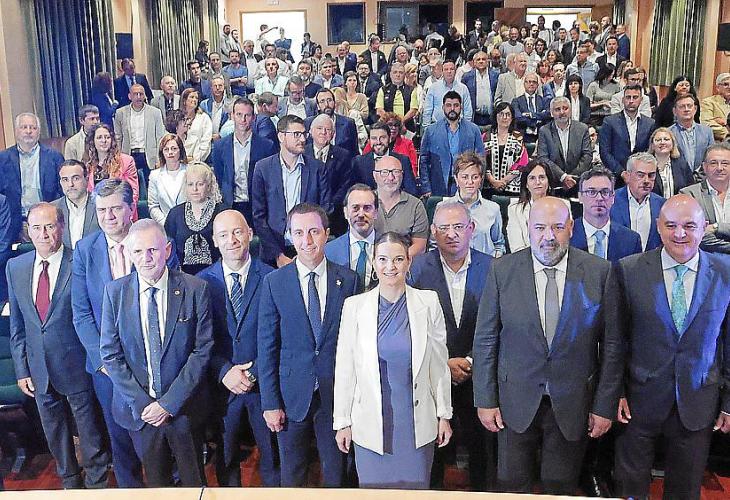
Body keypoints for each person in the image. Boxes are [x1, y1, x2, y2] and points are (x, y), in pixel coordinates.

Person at [473, 196, 620, 495]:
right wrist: (485, 399)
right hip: (514, 401)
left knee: (560, 486)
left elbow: (613, 346)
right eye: (540, 227)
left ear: (571, 228)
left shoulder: (600, 272)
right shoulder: (502, 270)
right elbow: (486, 339)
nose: (548, 236)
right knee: (512, 486)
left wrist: (604, 405)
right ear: (528, 228)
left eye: (557, 227)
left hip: (573, 402)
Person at [607, 194, 730, 499]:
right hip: (638, 401)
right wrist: (616, 393)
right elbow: (615, 340)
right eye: (671, 225)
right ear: (658, 226)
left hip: (698, 399)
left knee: (685, 492)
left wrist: (729, 402)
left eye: (689, 225)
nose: (680, 233)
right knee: (630, 489)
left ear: (705, 227)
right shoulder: (628, 270)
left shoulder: (726, 273)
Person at [333, 230, 452, 490]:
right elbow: (345, 368)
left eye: (398, 259)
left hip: (416, 423)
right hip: (370, 423)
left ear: (408, 262)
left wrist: (444, 414)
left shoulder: (428, 302)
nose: (391, 266)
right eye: (383, 259)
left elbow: (439, 365)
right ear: (374, 263)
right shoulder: (354, 306)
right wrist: (342, 422)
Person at [100, 219, 213, 487]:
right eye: (138, 251)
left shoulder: (195, 289)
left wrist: (168, 404)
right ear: (129, 253)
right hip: (141, 413)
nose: (146, 258)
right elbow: (110, 354)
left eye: (152, 250)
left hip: (184, 409)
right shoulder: (115, 292)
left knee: (193, 483)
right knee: (156, 486)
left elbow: (202, 350)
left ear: (167, 250)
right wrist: (145, 406)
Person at [7, 202, 111, 489]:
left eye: (49, 226)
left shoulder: (79, 262)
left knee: (89, 431)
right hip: (38, 369)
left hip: (76, 365)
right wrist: (21, 369)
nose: (43, 234)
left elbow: (92, 316)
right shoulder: (16, 267)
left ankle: (97, 485)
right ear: (28, 231)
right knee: (55, 432)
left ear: (61, 227)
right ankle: (70, 482)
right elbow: (18, 325)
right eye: (36, 228)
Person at [257, 203, 357, 487]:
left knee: (337, 478)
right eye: (299, 233)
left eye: (314, 231)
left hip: (335, 398)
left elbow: (354, 346)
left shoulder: (349, 280)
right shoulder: (274, 282)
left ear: (327, 233)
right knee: (292, 478)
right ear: (290, 236)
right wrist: (270, 403)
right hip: (291, 398)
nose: (307, 240)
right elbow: (267, 348)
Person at [408, 202, 494, 491]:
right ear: (433, 232)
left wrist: (470, 361)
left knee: (482, 456)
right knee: (432, 457)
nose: (451, 234)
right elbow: (410, 326)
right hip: (432, 376)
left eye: (458, 227)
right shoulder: (417, 269)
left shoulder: (493, 268)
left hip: (478, 376)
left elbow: (498, 325)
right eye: (443, 228)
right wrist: (443, 363)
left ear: (471, 228)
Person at [196, 210, 279, 487]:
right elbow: (198, 341)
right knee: (226, 459)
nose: (231, 240)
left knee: (272, 458)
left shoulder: (272, 277)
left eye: (237, 232)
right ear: (214, 241)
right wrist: (225, 371)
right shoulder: (201, 284)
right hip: (222, 389)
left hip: (263, 385)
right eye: (223, 235)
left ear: (250, 234)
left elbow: (280, 335)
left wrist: (254, 372)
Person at [252, 115, 331, 267]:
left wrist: (305, 251)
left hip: (309, 248)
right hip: (273, 251)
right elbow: (259, 217)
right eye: (296, 134)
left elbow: (325, 209)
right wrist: (278, 256)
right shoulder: (263, 168)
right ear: (281, 136)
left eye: (304, 134)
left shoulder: (317, 168)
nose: (302, 139)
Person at [212, 97, 278, 223]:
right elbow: (220, 177)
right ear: (232, 116)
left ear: (253, 118)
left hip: (258, 207)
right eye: (239, 114)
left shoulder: (267, 146)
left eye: (247, 115)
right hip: (231, 205)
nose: (243, 120)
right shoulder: (220, 146)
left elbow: (271, 179)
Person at [0, 113, 63, 240]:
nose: (28, 131)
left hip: (47, 220)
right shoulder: (3, 159)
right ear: (16, 131)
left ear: (38, 132)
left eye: (33, 128)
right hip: (13, 223)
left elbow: (61, 191)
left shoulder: (54, 157)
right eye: (24, 127)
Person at [419, 91, 485, 197]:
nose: (452, 109)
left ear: (461, 107)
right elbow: (423, 161)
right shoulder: (431, 131)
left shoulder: (473, 130)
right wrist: (426, 188)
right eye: (449, 105)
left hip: (466, 186)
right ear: (443, 107)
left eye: (456, 105)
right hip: (438, 185)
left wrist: (478, 187)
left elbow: (481, 161)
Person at [571, 167, 642, 262]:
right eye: (591, 192)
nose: (599, 198)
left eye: (605, 192)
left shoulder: (631, 240)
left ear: (613, 197)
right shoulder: (567, 236)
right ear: (580, 197)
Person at [441, 152, 505, 257]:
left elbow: (498, 244)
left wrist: (496, 260)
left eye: (475, 177)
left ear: (481, 179)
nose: (470, 182)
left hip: (486, 263)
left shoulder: (493, 209)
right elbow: (435, 244)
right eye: (465, 177)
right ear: (456, 179)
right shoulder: (443, 208)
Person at [164, 162, 222, 275]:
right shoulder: (175, 214)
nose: (195, 189)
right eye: (190, 184)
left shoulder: (222, 212)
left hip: (216, 275)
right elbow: (168, 248)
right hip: (182, 276)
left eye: (200, 184)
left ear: (209, 185)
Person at [305, 113, 354, 233]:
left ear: (333, 134)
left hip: (335, 218)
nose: (323, 132)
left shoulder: (343, 155)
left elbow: (345, 186)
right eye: (319, 128)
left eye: (328, 129)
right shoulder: (302, 153)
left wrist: (328, 209)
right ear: (311, 131)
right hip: (306, 214)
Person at [325, 184, 378, 291]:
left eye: (367, 208)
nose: (361, 214)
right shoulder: (328, 251)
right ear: (345, 212)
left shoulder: (388, 247)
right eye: (355, 208)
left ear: (376, 212)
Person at [372, 155, 428, 257]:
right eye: (384, 172)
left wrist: (396, 260)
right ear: (375, 176)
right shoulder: (365, 203)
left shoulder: (415, 205)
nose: (391, 177)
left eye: (396, 172)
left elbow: (420, 246)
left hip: (405, 262)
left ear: (402, 175)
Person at [506, 160, 568, 253]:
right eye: (532, 178)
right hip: (525, 259)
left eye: (542, 177)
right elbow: (516, 246)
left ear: (548, 181)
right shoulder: (515, 209)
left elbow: (565, 242)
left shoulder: (563, 206)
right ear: (526, 184)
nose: (537, 182)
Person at [679, 144, 730, 253]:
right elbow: (695, 235)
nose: (719, 168)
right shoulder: (689, 195)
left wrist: (716, 227)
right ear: (704, 167)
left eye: (725, 163)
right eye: (713, 163)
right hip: (706, 258)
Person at [610, 152, 666, 251]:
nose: (646, 180)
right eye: (640, 175)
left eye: (651, 175)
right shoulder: (610, 201)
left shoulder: (662, 205)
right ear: (627, 176)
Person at [536, 97, 593, 194]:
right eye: (557, 109)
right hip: (553, 184)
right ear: (551, 113)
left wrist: (572, 178)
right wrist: (563, 177)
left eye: (565, 108)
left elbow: (587, 156)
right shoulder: (544, 131)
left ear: (570, 110)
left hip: (578, 183)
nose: (562, 112)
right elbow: (543, 158)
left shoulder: (582, 129)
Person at [113, 83, 166, 184]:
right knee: (129, 186)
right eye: (135, 94)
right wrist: (119, 157)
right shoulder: (120, 113)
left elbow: (160, 137)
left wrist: (159, 158)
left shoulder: (155, 112)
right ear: (129, 96)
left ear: (145, 96)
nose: (138, 97)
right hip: (129, 154)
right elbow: (118, 137)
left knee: (151, 185)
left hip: (149, 155)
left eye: (141, 94)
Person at [85, 123, 139, 220]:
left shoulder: (126, 161)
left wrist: (128, 215)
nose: (104, 141)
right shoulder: (87, 165)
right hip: (96, 215)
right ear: (93, 141)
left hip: (120, 214)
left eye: (107, 137)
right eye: (99, 138)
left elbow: (133, 194)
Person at [600, 85, 656, 177]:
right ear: (623, 100)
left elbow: (650, 151)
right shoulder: (609, 122)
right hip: (615, 175)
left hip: (641, 175)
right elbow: (604, 152)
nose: (631, 101)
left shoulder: (650, 123)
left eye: (635, 97)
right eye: (628, 97)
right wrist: (621, 172)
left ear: (641, 100)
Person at [353, 122, 418, 197]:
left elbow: (411, 191)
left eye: (382, 138)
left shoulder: (403, 160)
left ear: (389, 139)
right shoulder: (359, 162)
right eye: (374, 138)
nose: (378, 142)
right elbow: (355, 192)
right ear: (369, 140)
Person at [483, 102, 528, 197]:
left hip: (512, 187)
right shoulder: (486, 137)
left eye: (508, 114)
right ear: (495, 117)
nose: (504, 117)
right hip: (488, 187)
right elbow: (481, 160)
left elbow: (522, 162)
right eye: (501, 114)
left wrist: (504, 181)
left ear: (512, 118)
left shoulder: (518, 137)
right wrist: (492, 181)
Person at [52, 160, 100, 249]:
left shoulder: (100, 205)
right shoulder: (52, 209)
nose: (70, 184)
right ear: (61, 183)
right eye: (65, 180)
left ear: (86, 179)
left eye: (76, 178)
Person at [304, 88, 359, 157]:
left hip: (342, 161)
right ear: (318, 106)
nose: (326, 104)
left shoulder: (348, 123)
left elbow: (354, 152)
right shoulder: (308, 123)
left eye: (329, 100)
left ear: (334, 103)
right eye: (322, 101)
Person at [669, 93, 715, 174]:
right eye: (682, 107)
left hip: (702, 177)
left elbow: (712, 157)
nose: (686, 109)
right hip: (678, 177)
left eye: (689, 106)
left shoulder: (707, 131)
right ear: (674, 111)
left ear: (695, 109)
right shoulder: (669, 133)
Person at [148, 134, 187, 226]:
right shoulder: (155, 176)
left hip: (188, 224)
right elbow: (153, 206)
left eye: (174, 149)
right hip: (165, 225)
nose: (170, 152)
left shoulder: (189, 171)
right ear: (162, 152)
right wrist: (165, 223)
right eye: (166, 149)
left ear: (180, 150)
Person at [422, 60, 474, 127]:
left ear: (455, 71)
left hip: (458, 127)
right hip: (437, 127)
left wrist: (466, 128)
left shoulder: (463, 88)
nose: (449, 71)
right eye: (446, 69)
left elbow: (468, 112)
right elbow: (427, 110)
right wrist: (426, 128)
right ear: (442, 71)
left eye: (451, 69)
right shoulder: (433, 88)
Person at [649, 127, 695, 197]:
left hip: (678, 203)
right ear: (652, 145)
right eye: (658, 140)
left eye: (666, 139)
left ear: (673, 143)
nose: (662, 142)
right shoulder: (646, 165)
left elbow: (691, 187)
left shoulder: (682, 164)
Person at [375, 63, 419, 130]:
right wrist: (391, 122)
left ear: (404, 75)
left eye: (401, 72)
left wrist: (400, 122)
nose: (398, 75)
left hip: (407, 127)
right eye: (395, 72)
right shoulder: (383, 90)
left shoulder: (412, 90)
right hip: (387, 127)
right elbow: (379, 109)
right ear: (390, 74)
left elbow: (413, 110)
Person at [461, 50, 499, 126]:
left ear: (488, 61)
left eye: (483, 59)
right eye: (478, 59)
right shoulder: (467, 77)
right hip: (474, 117)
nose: (481, 61)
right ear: (474, 62)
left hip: (491, 117)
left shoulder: (496, 76)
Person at [512, 72, 551, 142]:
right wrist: (537, 120)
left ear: (537, 85)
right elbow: (518, 118)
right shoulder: (516, 101)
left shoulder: (544, 101)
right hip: (522, 136)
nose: (531, 84)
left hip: (541, 137)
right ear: (524, 84)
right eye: (529, 82)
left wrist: (531, 115)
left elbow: (547, 115)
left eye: (534, 82)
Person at [179, 88, 213, 162]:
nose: (194, 100)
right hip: (179, 160)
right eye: (192, 97)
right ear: (184, 100)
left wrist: (195, 159)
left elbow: (206, 142)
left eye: (196, 98)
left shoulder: (204, 118)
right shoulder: (177, 117)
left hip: (197, 160)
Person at [700, 73, 730, 141]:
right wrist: (727, 134)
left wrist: (725, 122)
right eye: (726, 84)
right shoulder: (708, 102)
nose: (729, 87)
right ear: (718, 88)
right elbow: (707, 123)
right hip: (717, 143)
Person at [200, 76, 231, 140]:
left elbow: (232, 125)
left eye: (220, 85)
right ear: (211, 88)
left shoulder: (230, 104)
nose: (217, 88)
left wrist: (221, 135)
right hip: (207, 139)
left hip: (224, 140)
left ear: (224, 87)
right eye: (215, 86)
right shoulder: (204, 105)